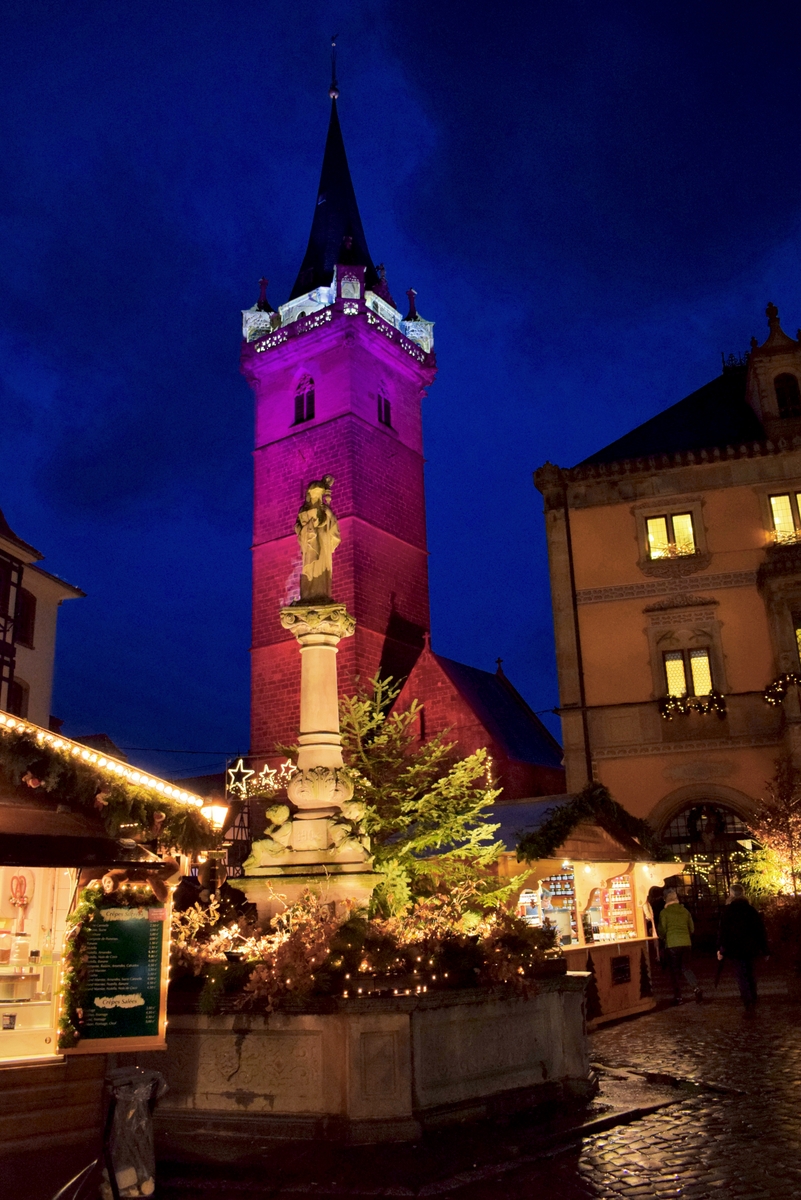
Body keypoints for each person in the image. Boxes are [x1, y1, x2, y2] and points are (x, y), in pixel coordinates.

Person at [717, 883, 769, 1016]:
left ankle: (748, 1001)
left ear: (732, 894)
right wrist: (765, 949)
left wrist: (721, 949)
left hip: (735, 948)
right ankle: (753, 997)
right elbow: (760, 931)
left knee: (741, 975)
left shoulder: (728, 911)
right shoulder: (751, 910)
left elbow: (723, 932)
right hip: (751, 947)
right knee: (751, 973)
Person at [658, 888, 702, 1004]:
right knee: (686, 968)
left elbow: (662, 930)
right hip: (686, 943)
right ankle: (696, 988)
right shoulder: (685, 911)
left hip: (672, 944)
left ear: (665, 899)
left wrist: (662, 938)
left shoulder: (664, 913)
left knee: (674, 971)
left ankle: (678, 997)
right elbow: (691, 928)